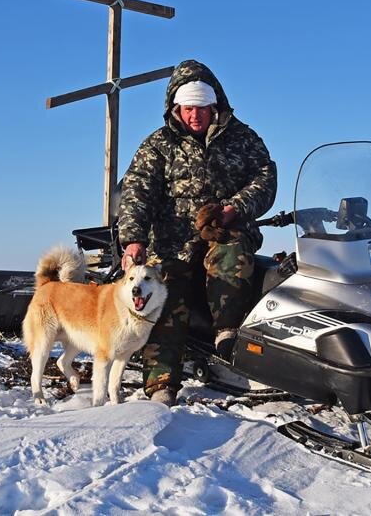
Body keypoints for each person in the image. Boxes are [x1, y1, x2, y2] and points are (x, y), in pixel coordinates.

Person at [117, 59, 277, 406]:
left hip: (226, 232)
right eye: (188, 109)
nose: (195, 116)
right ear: (176, 107)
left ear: (214, 105)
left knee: (232, 256)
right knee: (163, 292)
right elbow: (136, 193)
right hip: (172, 243)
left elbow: (265, 177)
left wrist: (234, 207)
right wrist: (133, 239)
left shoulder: (243, 139)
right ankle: (162, 383)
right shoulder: (158, 145)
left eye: (202, 109)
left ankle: (227, 333)